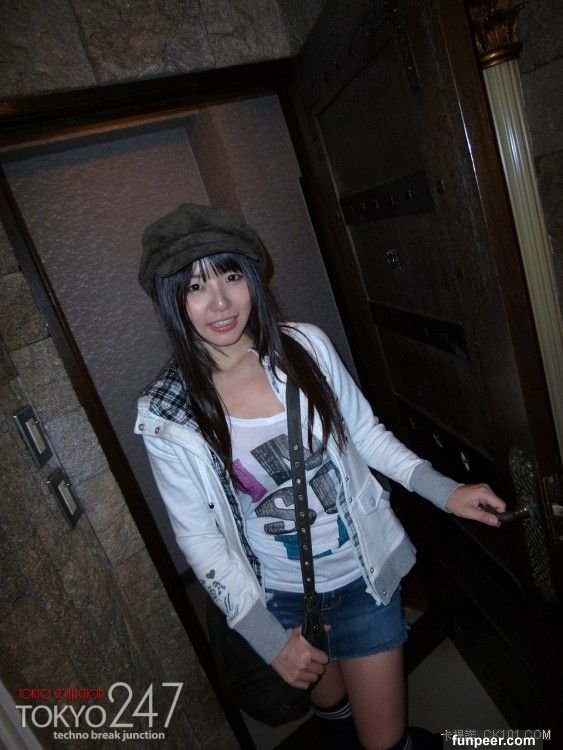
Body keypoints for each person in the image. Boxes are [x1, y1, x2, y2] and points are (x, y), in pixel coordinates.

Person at [135, 203, 506, 750]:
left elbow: (365, 435)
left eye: (231, 276)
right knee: (332, 713)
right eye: (195, 286)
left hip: (361, 579)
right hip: (278, 598)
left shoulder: (304, 347)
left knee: (383, 741)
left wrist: (445, 490)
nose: (220, 302)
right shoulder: (169, 415)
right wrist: (269, 638)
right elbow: (199, 537)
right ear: (171, 299)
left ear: (252, 278)